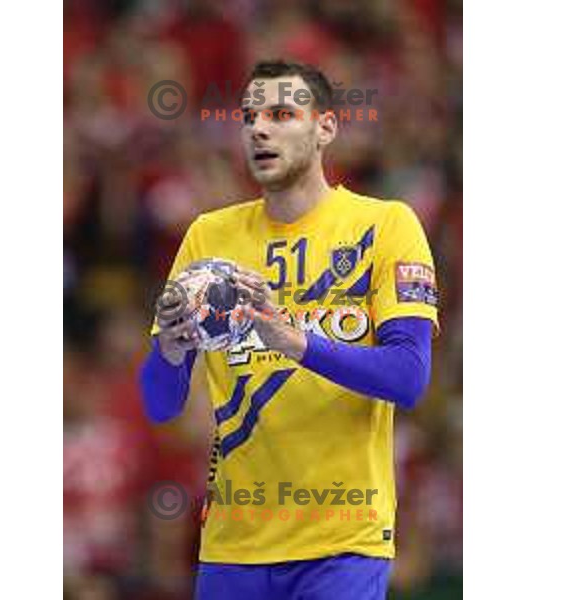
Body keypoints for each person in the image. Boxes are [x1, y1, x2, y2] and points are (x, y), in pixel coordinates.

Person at [140, 60, 439, 600]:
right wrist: (166, 349)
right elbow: (160, 406)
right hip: (233, 547)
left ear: (325, 127)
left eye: (281, 114)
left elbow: (409, 377)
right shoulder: (209, 238)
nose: (259, 128)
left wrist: (296, 342)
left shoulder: (386, 225)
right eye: (250, 116)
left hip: (343, 540)